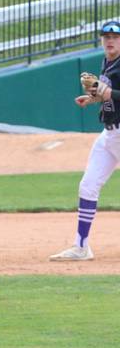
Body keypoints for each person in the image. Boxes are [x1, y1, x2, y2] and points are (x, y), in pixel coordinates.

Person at [50, 20, 120, 261]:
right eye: (106, 36)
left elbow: (112, 93)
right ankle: (81, 247)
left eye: (115, 36)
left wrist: (106, 92)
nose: (110, 40)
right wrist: (93, 98)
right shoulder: (108, 61)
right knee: (88, 186)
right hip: (109, 135)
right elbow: (109, 97)